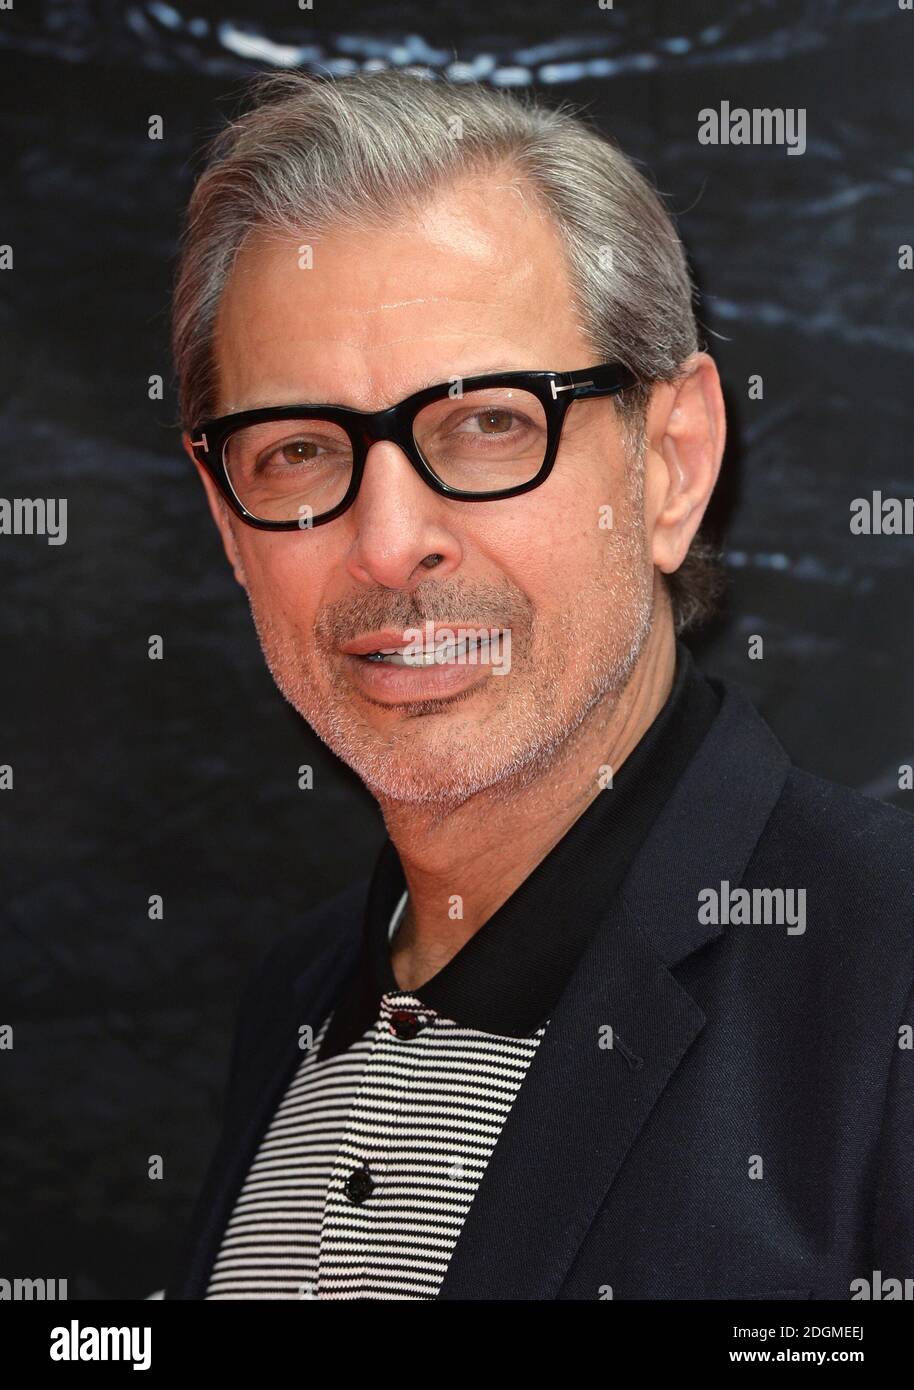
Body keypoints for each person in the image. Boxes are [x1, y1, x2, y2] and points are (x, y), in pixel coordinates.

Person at [165, 69, 914, 1300]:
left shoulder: (882, 981)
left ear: (670, 465)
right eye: (299, 449)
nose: (389, 537)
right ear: (230, 523)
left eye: (488, 424)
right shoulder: (292, 1005)